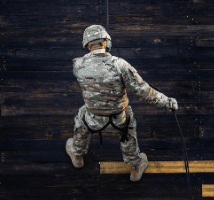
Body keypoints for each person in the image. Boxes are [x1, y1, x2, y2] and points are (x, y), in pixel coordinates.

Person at [66, 25, 178, 182]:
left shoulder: (77, 64)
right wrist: (167, 101)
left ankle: (77, 155)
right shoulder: (121, 65)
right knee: (128, 128)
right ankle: (135, 166)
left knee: (81, 116)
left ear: (87, 44)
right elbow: (143, 91)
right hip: (119, 120)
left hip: (92, 120)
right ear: (106, 42)